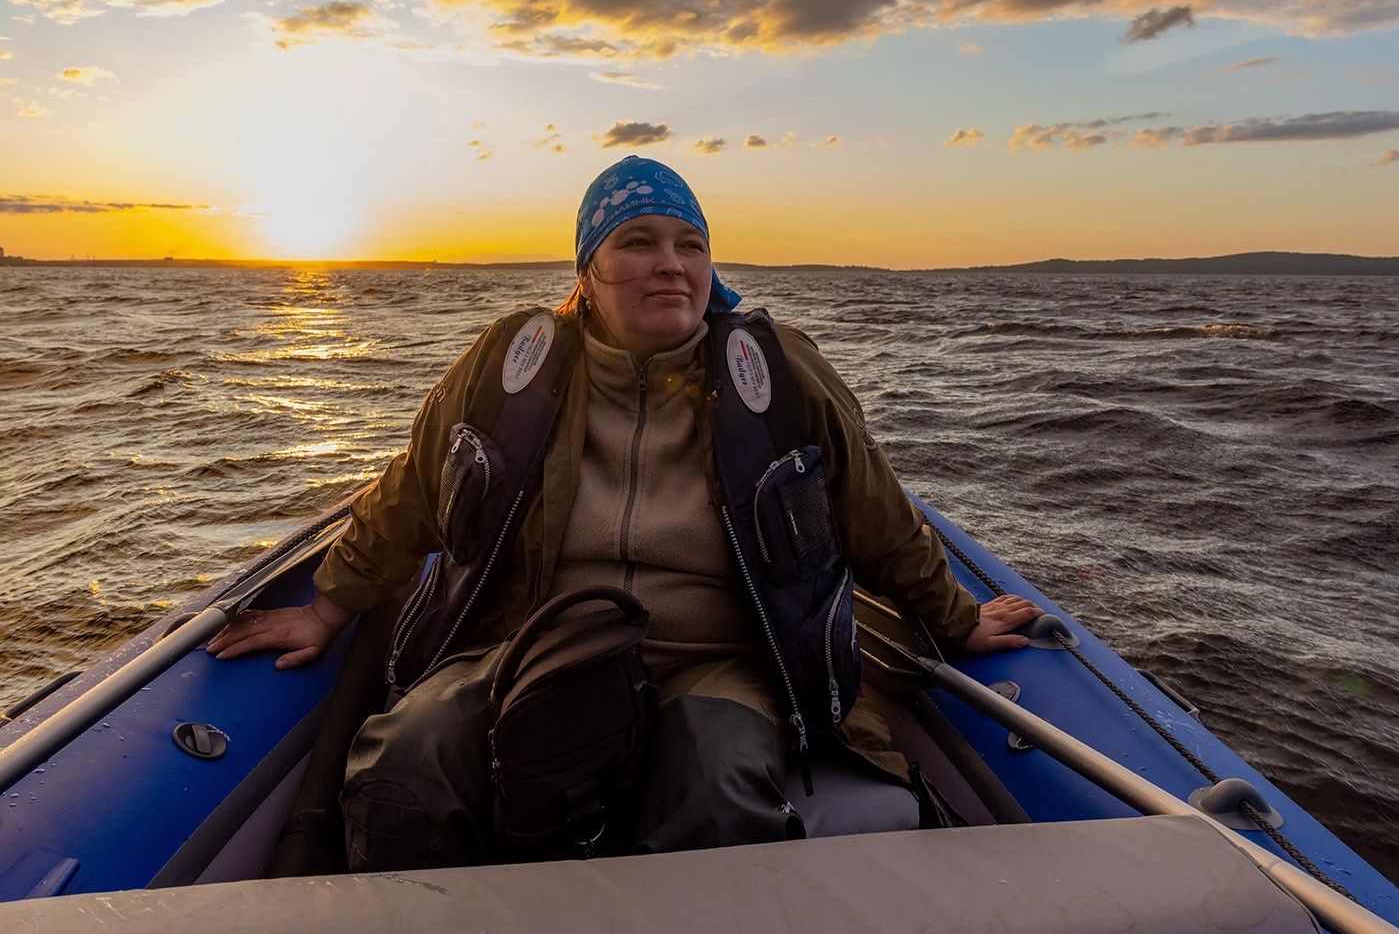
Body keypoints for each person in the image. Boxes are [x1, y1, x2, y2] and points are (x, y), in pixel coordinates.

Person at [206, 155, 1043, 869]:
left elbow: (876, 511)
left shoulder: (777, 372)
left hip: (723, 656)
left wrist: (957, 618)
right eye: (637, 242)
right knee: (405, 761)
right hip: (527, 637)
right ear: (588, 271)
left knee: (716, 782)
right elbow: (415, 485)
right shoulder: (513, 365)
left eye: (690, 245)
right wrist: (326, 605)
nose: (670, 264)